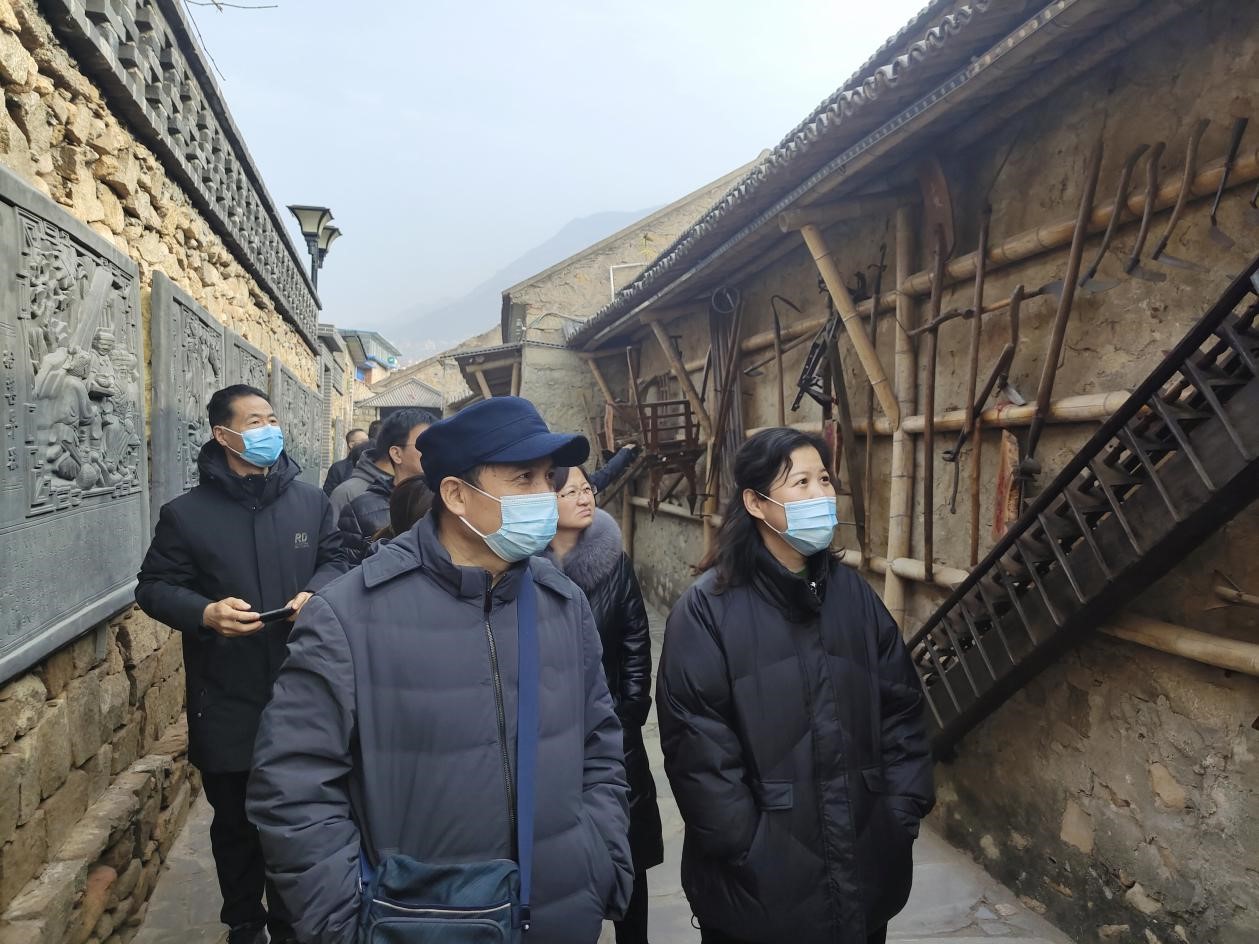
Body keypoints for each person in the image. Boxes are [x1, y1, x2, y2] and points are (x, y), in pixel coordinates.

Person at [247, 395, 633, 944]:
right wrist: (339, 924)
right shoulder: (348, 616)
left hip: (560, 912)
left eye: (549, 478)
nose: (547, 496)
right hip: (416, 921)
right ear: (455, 494)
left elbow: (599, 742)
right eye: (523, 478)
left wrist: (599, 859)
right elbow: (294, 787)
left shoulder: (562, 603)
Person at [656, 428, 934, 944]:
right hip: (758, 895)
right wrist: (749, 849)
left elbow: (903, 712)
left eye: (824, 480)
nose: (820, 494)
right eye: (800, 482)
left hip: (865, 870)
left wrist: (898, 814)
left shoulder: (855, 597)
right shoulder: (706, 612)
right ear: (756, 503)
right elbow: (699, 755)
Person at [135, 384, 349, 944]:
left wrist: (317, 593)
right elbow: (153, 587)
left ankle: (293, 922)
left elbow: (338, 558)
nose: (268, 429)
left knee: (300, 818)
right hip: (225, 694)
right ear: (223, 434)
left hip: (305, 688)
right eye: (254, 421)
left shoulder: (310, 502)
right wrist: (205, 613)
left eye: (271, 418)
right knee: (235, 824)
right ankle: (245, 924)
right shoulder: (186, 515)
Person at [542, 466, 663, 944]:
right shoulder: (523, 567)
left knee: (628, 853)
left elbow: (636, 641)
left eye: (587, 488)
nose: (584, 497)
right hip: (550, 738)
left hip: (613, 733)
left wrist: (628, 714)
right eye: (569, 491)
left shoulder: (614, 561)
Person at [336, 408, 430, 563]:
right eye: (424, 444)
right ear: (397, 454)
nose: (433, 450)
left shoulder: (448, 502)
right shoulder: (359, 511)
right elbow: (347, 569)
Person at [328, 428, 396, 517]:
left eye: (367, 440)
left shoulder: (398, 485)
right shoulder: (340, 474)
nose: (367, 443)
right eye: (363, 441)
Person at [322, 427, 369, 495]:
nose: (367, 444)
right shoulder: (338, 468)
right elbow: (328, 494)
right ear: (351, 445)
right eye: (364, 441)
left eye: (368, 441)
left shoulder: (372, 465)